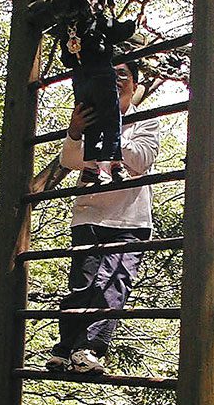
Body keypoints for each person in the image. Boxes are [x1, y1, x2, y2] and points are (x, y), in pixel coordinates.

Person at [46, 60, 160, 375]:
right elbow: (69, 159)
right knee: (81, 285)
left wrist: (109, 127)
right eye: (107, 75)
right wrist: (75, 131)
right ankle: (66, 347)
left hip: (129, 220)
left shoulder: (145, 121)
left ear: (135, 87)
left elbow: (140, 159)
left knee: (114, 282)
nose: (114, 80)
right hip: (89, 214)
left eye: (122, 74)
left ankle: (89, 349)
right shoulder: (88, 116)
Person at [55, 0, 137, 185]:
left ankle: (91, 167)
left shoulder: (66, 28)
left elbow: (65, 59)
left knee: (90, 120)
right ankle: (115, 164)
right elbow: (119, 31)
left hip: (80, 81)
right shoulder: (98, 20)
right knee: (111, 120)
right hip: (101, 75)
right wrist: (134, 22)